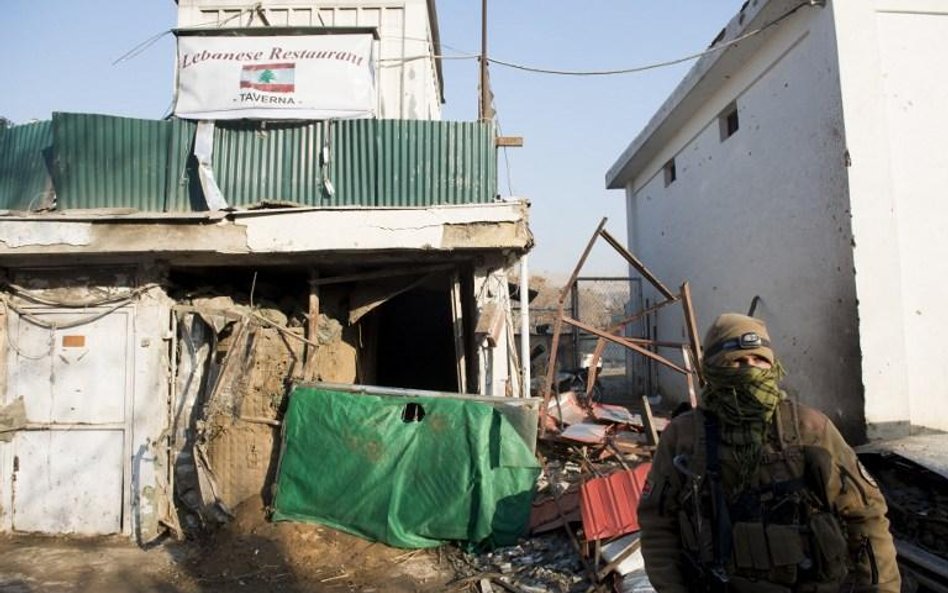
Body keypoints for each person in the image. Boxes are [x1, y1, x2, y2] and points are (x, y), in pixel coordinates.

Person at [637, 313, 900, 592]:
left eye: (759, 360)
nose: (750, 369)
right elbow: (657, 523)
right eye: (737, 361)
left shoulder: (810, 428)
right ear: (713, 369)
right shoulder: (685, 436)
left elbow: (866, 515)